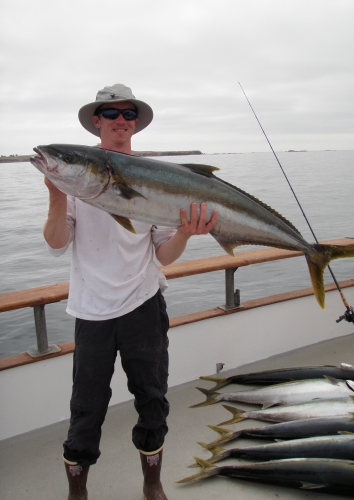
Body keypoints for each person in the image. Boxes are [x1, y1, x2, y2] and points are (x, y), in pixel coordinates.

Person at [43, 83, 218, 500]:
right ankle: (78, 490)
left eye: (128, 114)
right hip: (91, 313)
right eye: (111, 113)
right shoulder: (74, 183)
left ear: (135, 122)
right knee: (86, 409)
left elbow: (166, 255)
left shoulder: (153, 176)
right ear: (96, 122)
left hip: (142, 305)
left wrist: (187, 233)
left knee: (152, 399)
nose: (121, 120)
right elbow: (55, 242)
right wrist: (55, 192)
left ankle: (152, 483)